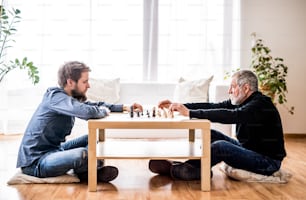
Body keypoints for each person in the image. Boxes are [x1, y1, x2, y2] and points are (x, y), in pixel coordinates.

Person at [16, 61, 143, 182]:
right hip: (36, 162)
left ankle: (86, 172)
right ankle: (89, 171)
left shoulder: (69, 99)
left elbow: (94, 105)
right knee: (81, 154)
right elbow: (87, 112)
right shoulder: (56, 98)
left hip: (55, 149)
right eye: (85, 81)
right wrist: (103, 111)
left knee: (93, 138)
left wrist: (123, 107)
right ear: (70, 82)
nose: (88, 85)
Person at [149, 70, 286, 181]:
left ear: (246, 88)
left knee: (220, 146)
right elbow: (212, 106)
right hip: (249, 150)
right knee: (211, 134)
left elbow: (232, 116)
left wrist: (190, 113)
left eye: (233, 87)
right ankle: (191, 168)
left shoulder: (260, 104)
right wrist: (180, 106)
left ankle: (181, 168)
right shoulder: (243, 101)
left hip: (267, 162)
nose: (229, 91)